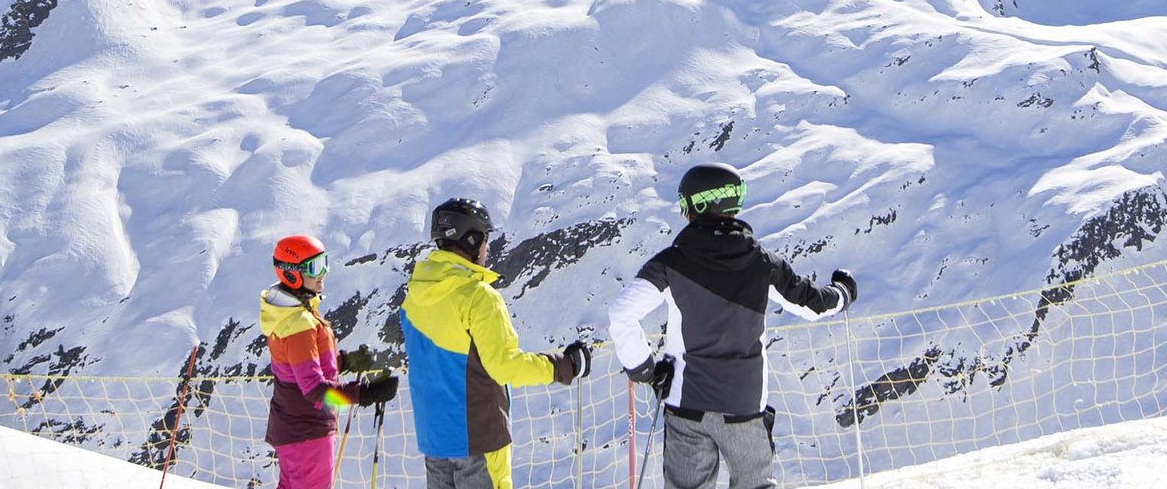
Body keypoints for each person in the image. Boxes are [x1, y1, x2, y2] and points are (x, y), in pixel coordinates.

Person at [607, 163, 858, 489]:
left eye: (684, 205)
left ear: (697, 206)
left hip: (687, 406)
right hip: (743, 406)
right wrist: (843, 293)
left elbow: (621, 314)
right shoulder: (762, 262)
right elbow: (812, 303)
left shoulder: (671, 263)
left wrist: (646, 371)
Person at [400, 198, 593, 489]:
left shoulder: (413, 297)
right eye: (485, 238)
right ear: (472, 239)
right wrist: (564, 366)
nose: (487, 247)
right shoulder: (478, 296)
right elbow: (505, 366)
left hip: (435, 439)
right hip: (478, 437)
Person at [260, 234, 398, 489]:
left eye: (325, 262)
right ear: (292, 274)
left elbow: (300, 366)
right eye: (315, 267)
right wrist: (367, 394)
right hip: (307, 433)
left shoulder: (288, 314)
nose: (323, 273)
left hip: (292, 429)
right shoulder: (299, 323)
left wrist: (345, 361)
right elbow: (316, 391)